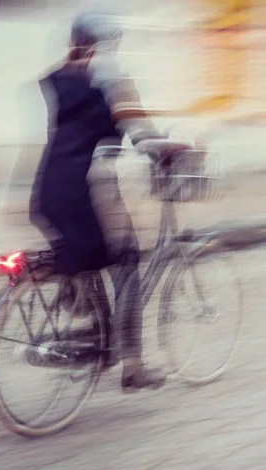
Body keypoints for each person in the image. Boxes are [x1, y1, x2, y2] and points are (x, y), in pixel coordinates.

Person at [28, 11, 190, 392]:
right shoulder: (111, 80)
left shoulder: (55, 80)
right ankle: (132, 366)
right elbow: (142, 136)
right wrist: (171, 147)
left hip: (48, 190)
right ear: (106, 43)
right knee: (127, 260)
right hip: (89, 189)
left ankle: (87, 316)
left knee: (84, 253)